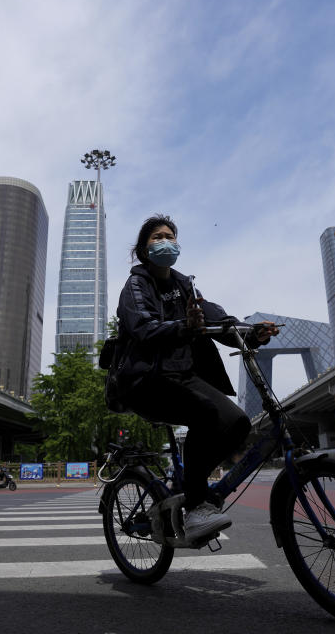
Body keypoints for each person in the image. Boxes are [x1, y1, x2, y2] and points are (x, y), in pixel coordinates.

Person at [114, 214, 278, 541]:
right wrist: (184, 326)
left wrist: (253, 333)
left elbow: (217, 320)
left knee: (238, 422)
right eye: (158, 237)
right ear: (144, 249)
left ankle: (192, 488)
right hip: (146, 381)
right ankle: (196, 505)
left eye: (170, 236)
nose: (166, 241)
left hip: (182, 377)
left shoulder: (185, 285)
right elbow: (143, 328)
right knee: (205, 414)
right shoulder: (136, 285)